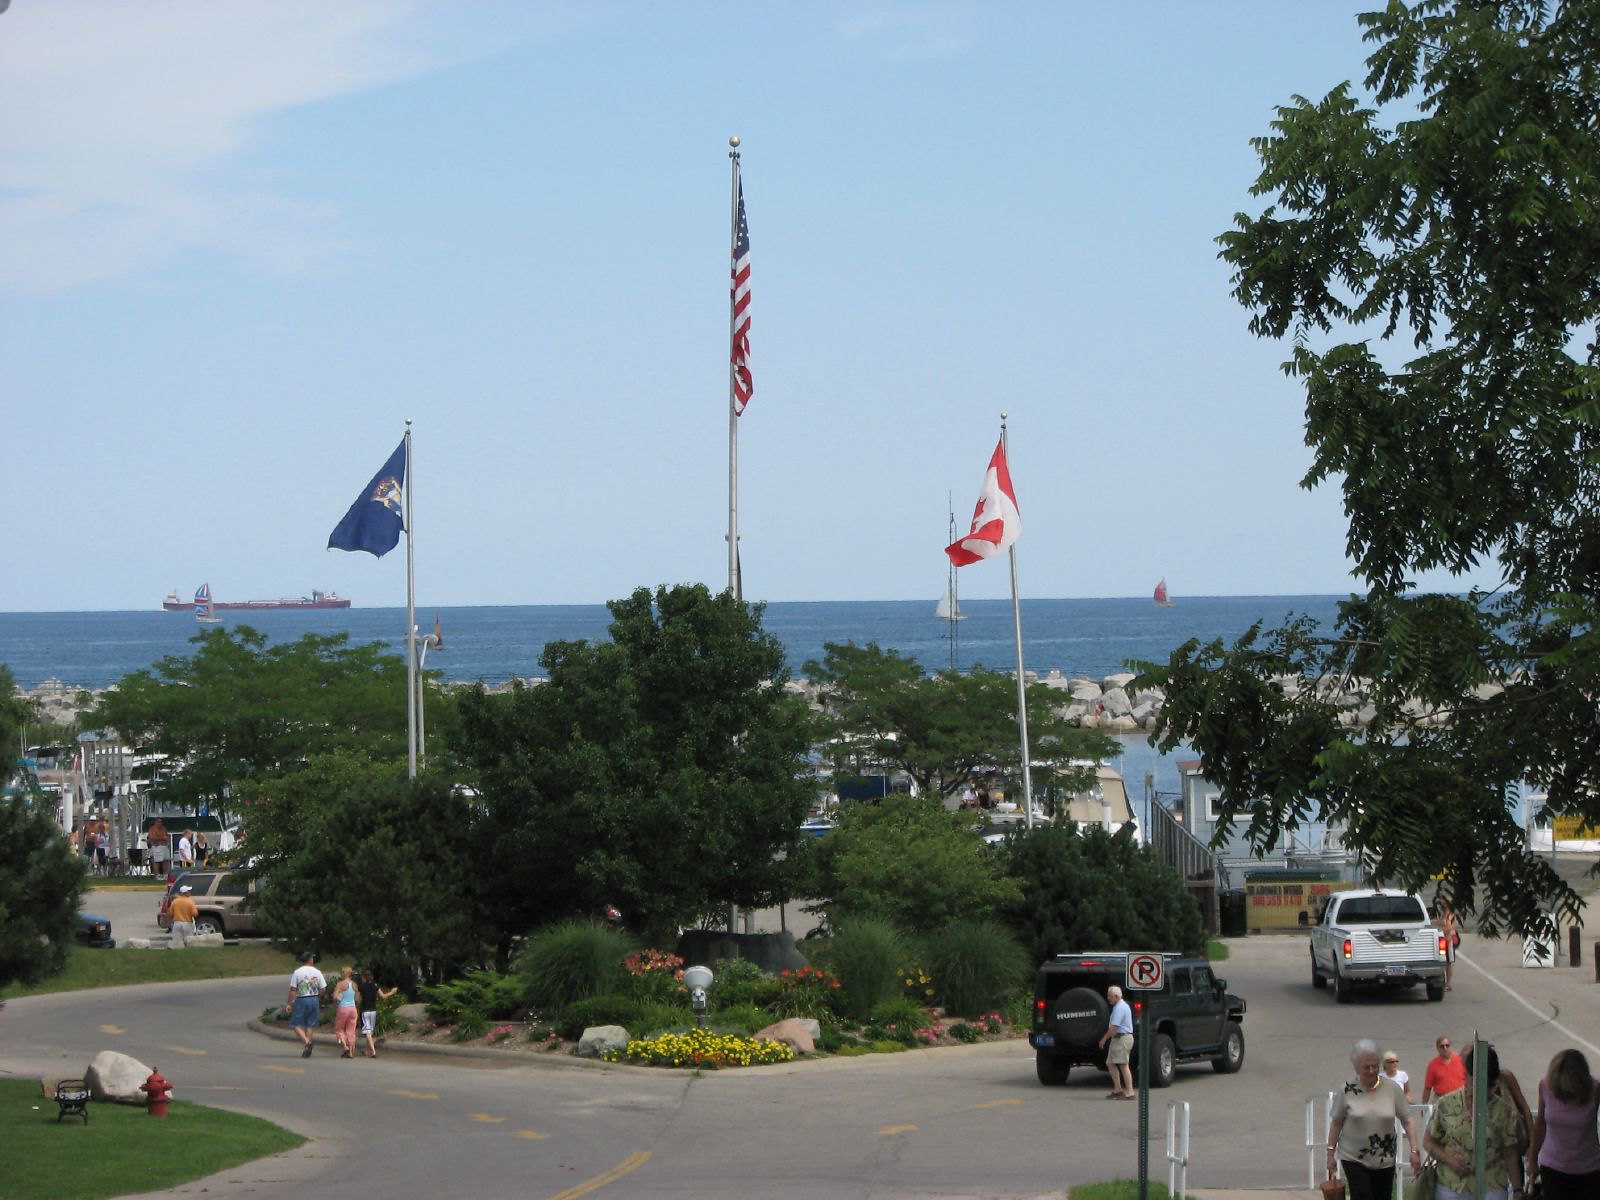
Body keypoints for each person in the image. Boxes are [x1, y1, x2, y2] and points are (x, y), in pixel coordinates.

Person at [1327, 1038, 1422, 1200]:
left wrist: (1414, 1151)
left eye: (1375, 1066)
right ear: (1356, 1067)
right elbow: (1336, 1123)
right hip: (1353, 1157)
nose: (1371, 1070)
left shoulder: (1391, 1088)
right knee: (1363, 1195)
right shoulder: (1346, 1090)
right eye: (1366, 1067)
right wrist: (1330, 1154)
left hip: (1385, 1159)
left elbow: (1407, 1119)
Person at [1424, 1043, 1521, 1200]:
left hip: (1491, 1187)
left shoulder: (1503, 1110)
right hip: (1452, 1187)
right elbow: (1428, 1142)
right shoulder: (1446, 1104)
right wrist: (1450, 1160)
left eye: (1485, 1088)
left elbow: (1510, 1153)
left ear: (1493, 1085)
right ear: (1466, 1075)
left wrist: (1517, 1190)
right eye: (1474, 1085)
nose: (1477, 1093)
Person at [1527, 1049, 1600, 1199]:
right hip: (1552, 1168)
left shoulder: (1595, 1089)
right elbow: (1540, 1123)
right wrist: (1532, 1159)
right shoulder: (1546, 1086)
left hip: (1588, 1169)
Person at [283, 951, 326, 1057]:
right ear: (310, 959)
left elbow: (293, 989)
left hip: (302, 998)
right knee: (310, 1024)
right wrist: (318, 996)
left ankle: (307, 1043)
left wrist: (289, 1003)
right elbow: (323, 989)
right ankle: (307, 1046)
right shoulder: (317, 972)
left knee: (295, 1023)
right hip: (314, 999)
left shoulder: (298, 972)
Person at [1097, 984, 1135, 1100]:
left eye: (1110, 996)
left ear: (1117, 996)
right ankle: (1118, 1089)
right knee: (1110, 1063)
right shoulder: (1119, 1006)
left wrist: (1104, 1039)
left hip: (1122, 1038)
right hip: (1117, 1039)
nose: (1108, 998)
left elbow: (1114, 1027)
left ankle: (1130, 1092)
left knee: (1123, 1065)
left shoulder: (1120, 1008)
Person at [357, 969, 398, 1059]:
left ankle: (373, 1051)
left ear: (363, 977)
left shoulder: (361, 987)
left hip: (365, 1010)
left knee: (367, 1032)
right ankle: (366, 1050)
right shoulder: (375, 986)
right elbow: (383, 996)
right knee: (370, 1031)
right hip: (373, 1010)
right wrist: (392, 992)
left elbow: (358, 999)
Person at [1424, 1034, 1467, 1104]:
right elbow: (1427, 1088)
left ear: (1450, 1046)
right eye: (1442, 1046)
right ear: (1437, 1048)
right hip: (1441, 1100)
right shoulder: (1433, 1065)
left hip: (1459, 1099)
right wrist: (1424, 1106)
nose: (1445, 1048)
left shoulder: (1460, 1060)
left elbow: (1470, 1080)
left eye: (1447, 1045)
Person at [331, 966, 360, 1059]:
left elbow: (335, 997)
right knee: (351, 1030)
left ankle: (345, 1047)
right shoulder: (355, 984)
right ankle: (350, 1052)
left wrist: (338, 998)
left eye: (342, 972)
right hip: (353, 1008)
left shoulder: (340, 984)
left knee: (339, 1029)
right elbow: (357, 998)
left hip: (343, 1008)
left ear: (344, 973)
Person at [1436, 899, 1460, 991]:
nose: (1441, 905)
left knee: (1448, 962)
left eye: (1443, 903)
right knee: (1443, 961)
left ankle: (1448, 984)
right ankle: (1445, 982)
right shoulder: (1444, 913)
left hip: (1448, 940)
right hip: (1443, 940)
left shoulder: (1450, 914)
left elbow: (1450, 927)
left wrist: (1441, 931)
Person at [167, 884, 198, 948]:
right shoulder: (190, 902)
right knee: (188, 943)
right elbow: (195, 914)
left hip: (177, 924)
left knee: (177, 944)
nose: (190, 892)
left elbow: (170, 914)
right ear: (185, 893)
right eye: (189, 891)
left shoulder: (174, 902)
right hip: (187, 924)